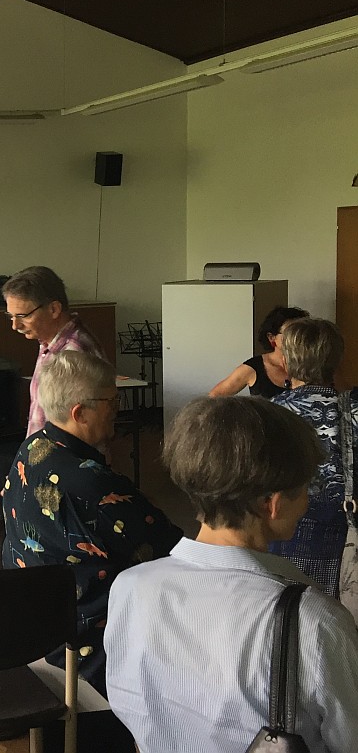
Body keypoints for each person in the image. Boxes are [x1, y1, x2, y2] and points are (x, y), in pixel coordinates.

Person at [105, 396, 358, 753]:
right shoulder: (315, 622)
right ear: (271, 504)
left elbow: (128, 704)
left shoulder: (130, 587)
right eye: (304, 490)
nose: (306, 503)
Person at [1, 350, 181, 696]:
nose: (117, 410)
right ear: (79, 413)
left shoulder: (32, 447)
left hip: (33, 621)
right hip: (87, 645)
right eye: (111, 402)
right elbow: (170, 551)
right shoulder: (90, 485)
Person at [269, 317, 358, 598]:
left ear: (286, 361)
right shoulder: (354, 407)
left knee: (294, 612)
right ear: (337, 360)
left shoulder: (273, 414)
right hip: (350, 531)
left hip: (291, 533)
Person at [1, 265, 106, 436]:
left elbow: (85, 429)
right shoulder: (48, 342)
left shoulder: (74, 353)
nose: (15, 325)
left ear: (54, 309)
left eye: (23, 316)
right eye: (10, 316)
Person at [208, 305, 309, 398]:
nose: (297, 338)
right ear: (271, 337)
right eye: (290, 333)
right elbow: (214, 397)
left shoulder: (313, 364)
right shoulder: (254, 367)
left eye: (302, 333)